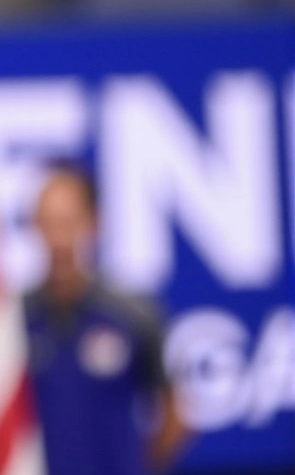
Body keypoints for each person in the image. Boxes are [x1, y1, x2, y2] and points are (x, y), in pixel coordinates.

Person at [23, 163, 188, 475]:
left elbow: (175, 411)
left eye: (68, 223)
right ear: (34, 227)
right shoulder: (14, 320)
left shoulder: (133, 315)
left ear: (93, 223)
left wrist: (140, 466)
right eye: (48, 223)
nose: (59, 239)